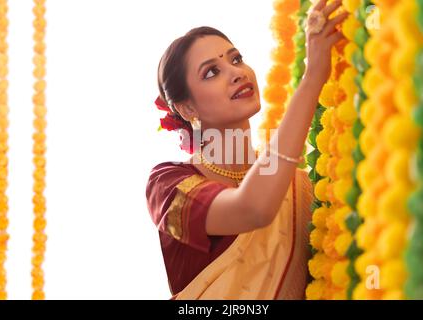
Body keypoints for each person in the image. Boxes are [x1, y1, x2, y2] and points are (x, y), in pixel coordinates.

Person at [146, 0, 348, 299]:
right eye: (211, 72)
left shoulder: (298, 185)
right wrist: (312, 77)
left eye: (236, 59)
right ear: (187, 108)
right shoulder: (166, 184)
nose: (236, 72)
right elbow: (252, 209)